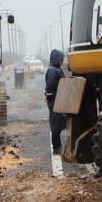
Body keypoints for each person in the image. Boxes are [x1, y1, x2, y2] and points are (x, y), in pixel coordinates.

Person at [44, 48, 68, 178]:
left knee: (57, 122)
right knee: (56, 122)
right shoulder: (54, 71)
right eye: (61, 59)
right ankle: (56, 147)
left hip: (56, 99)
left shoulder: (55, 69)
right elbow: (50, 86)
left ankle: (58, 146)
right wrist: (48, 95)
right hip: (55, 100)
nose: (62, 61)